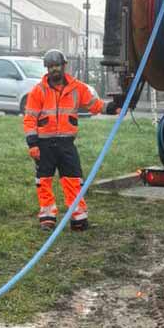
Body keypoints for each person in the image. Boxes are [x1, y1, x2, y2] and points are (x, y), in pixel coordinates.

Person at [22, 49, 107, 230]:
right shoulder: (38, 91)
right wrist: (33, 144)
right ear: (47, 69)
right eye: (51, 66)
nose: (54, 70)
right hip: (44, 145)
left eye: (57, 66)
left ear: (64, 66)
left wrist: (112, 107)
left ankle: (78, 218)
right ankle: (47, 218)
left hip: (66, 145)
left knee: (73, 180)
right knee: (44, 181)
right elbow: (30, 118)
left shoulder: (77, 88)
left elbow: (95, 105)